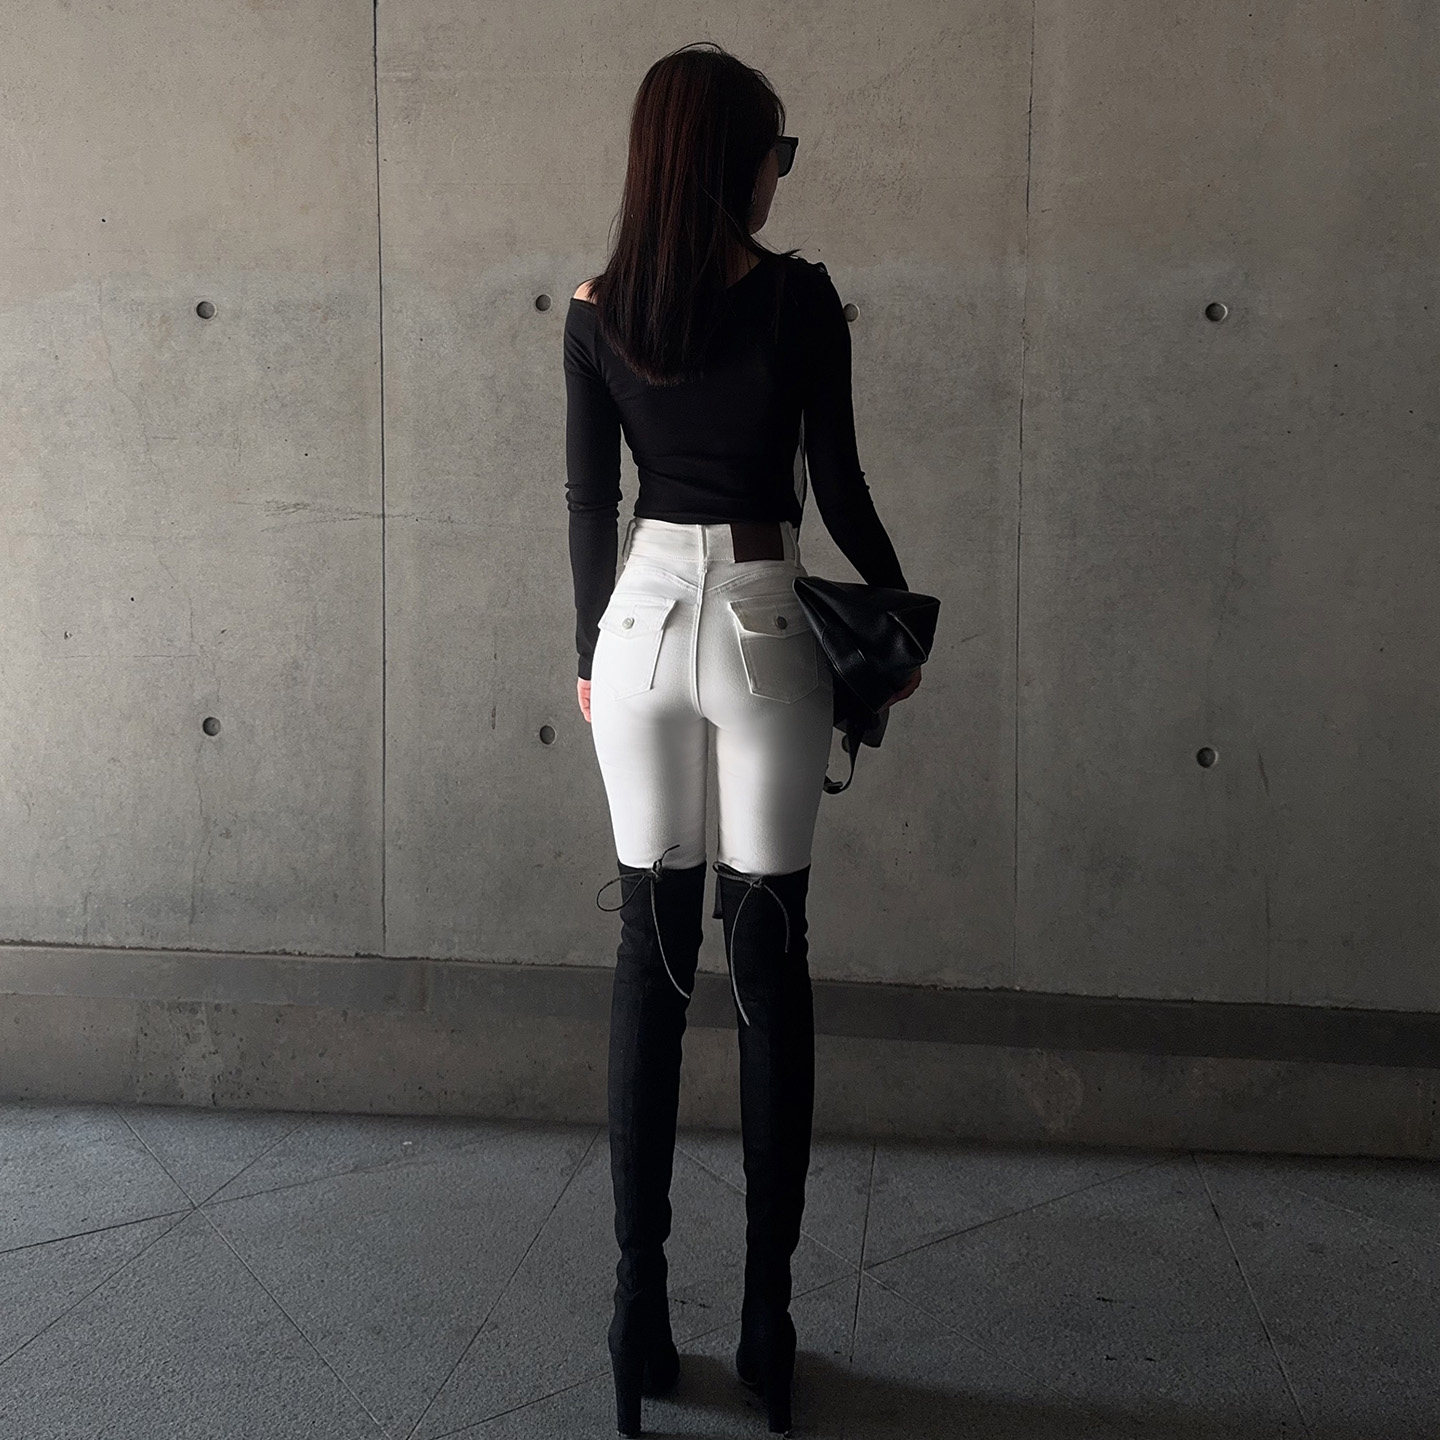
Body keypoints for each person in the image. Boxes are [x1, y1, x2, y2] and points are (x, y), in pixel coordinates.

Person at [562, 42, 921, 1438]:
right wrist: (892, 623)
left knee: (648, 967)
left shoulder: (598, 311)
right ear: (731, 161)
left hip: (637, 632)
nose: (781, 172)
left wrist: (589, 661)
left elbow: (588, 504)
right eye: (776, 149)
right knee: (768, 965)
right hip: (767, 627)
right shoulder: (798, 299)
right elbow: (842, 485)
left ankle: (636, 1313)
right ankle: (767, 1323)